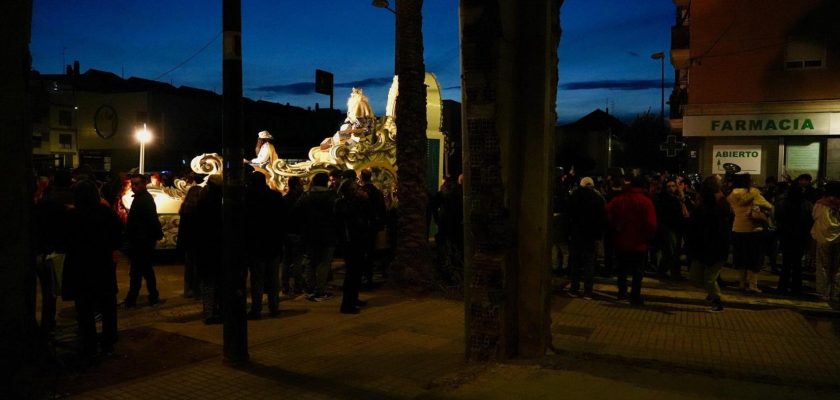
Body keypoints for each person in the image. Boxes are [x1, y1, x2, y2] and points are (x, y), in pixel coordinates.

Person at [62, 180, 123, 357]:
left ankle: (89, 344)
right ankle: (109, 341)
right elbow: (118, 236)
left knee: (84, 307)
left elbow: (64, 241)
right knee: (107, 305)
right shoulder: (106, 213)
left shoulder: (72, 216)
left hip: (80, 265)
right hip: (102, 263)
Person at [607, 175, 657, 305]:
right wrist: (648, 238)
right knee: (637, 271)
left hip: (621, 240)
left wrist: (616, 227)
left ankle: (622, 292)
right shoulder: (646, 202)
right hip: (639, 242)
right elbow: (651, 224)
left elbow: (608, 213)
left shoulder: (620, 199)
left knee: (622, 269)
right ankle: (635, 296)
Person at [685, 176, 732, 312]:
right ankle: (712, 295)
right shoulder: (704, 209)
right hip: (702, 247)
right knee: (695, 277)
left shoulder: (719, 208)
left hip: (716, 248)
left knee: (709, 278)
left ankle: (717, 300)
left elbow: (719, 231)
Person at [245, 172, 283, 319]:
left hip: (255, 244)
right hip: (273, 243)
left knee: (257, 279)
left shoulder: (248, 198)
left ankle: (256, 309)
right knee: (273, 279)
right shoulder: (275, 197)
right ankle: (274, 307)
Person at [727, 173, 773, 293]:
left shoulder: (732, 194)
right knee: (755, 258)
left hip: (737, 229)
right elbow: (769, 206)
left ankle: (741, 283)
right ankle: (753, 285)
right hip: (753, 230)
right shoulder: (754, 193)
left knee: (741, 258)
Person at [296, 173, 338, 301]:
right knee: (324, 263)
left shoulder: (306, 196)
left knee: (311, 262)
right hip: (327, 234)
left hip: (310, 234)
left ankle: (310, 288)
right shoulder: (332, 196)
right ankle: (320, 290)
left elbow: (295, 212)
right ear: (326, 182)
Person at [123, 174, 163, 307]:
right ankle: (151, 295)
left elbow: (151, 219)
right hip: (141, 240)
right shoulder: (142, 198)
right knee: (144, 270)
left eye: (137, 184)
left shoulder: (144, 199)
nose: (134, 187)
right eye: (133, 184)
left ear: (144, 183)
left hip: (142, 241)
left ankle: (133, 298)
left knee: (138, 271)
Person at [335, 169, 371, 314]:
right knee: (352, 273)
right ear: (348, 191)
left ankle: (354, 298)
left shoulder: (356, 202)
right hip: (351, 243)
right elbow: (348, 223)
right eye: (354, 189)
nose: (358, 190)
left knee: (357, 272)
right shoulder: (343, 204)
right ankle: (347, 304)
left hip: (358, 240)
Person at [565, 177, 606, 299]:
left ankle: (574, 289)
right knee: (589, 263)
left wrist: (568, 232)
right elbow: (601, 218)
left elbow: (568, 214)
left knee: (575, 262)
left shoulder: (574, 195)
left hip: (577, 233)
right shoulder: (598, 198)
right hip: (591, 235)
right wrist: (599, 235)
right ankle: (588, 291)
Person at [774, 183, 813, 296]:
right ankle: (797, 288)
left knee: (786, 263)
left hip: (786, 235)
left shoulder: (782, 204)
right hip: (800, 236)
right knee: (797, 264)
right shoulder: (806, 205)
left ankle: (782, 287)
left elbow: (778, 218)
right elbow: (810, 220)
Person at [195, 175, 223, 324]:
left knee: (208, 283)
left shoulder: (202, 203)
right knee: (218, 282)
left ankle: (209, 312)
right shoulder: (222, 203)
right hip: (218, 249)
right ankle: (216, 310)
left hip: (205, 249)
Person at [811, 181, 840, 309]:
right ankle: (835, 292)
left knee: (822, 265)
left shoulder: (820, 204)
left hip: (822, 237)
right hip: (839, 237)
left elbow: (814, 216)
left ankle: (823, 292)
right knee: (837, 267)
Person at [655, 176, 689, 280]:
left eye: (673, 186)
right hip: (669, 228)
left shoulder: (677, 198)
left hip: (677, 228)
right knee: (670, 252)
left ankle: (675, 273)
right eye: (668, 186)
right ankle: (662, 271)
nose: (671, 188)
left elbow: (685, 212)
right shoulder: (664, 198)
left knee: (676, 252)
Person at [358, 168, 386, 289]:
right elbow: (382, 208)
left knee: (363, 252)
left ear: (361, 178)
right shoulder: (376, 191)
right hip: (373, 225)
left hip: (363, 226)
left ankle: (364, 278)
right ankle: (368, 277)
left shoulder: (361, 191)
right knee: (370, 252)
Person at [280, 176, 306, 297]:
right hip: (298, 232)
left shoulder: (284, 199)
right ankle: (298, 287)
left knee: (286, 261)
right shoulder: (302, 199)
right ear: (296, 185)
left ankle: (285, 286)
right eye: (300, 184)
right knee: (297, 261)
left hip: (286, 233)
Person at [177, 185, 203, 298]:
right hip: (199, 241)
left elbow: (182, 228)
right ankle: (197, 289)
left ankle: (188, 289)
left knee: (189, 266)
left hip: (188, 241)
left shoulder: (185, 208)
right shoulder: (201, 208)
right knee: (198, 266)